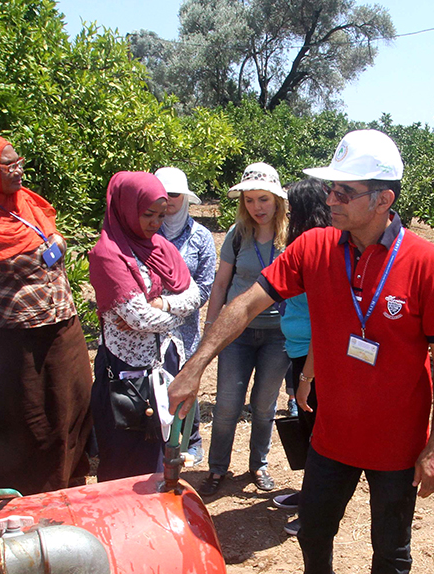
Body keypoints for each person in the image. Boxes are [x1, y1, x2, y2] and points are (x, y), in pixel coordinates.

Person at [169, 129, 434, 574]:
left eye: (344, 191)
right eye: (331, 190)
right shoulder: (314, 249)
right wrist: (198, 362)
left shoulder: (425, 262)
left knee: (390, 547)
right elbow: (247, 302)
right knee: (315, 525)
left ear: (383, 199)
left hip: (398, 439)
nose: (331, 200)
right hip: (332, 429)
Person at [0, 130, 91, 494]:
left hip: (62, 328)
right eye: (7, 165)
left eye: (19, 162)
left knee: (71, 408)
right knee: (30, 422)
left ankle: (69, 487)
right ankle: (26, 498)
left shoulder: (27, 203)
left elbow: (52, 245)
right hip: (15, 342)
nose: (18, 170)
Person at [87, 171, 199, 482]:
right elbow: (139, 318)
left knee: (161, 451)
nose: (155, 223)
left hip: (164, 363)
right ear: (125, 208)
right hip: (127, 371)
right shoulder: (108, 255)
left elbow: (194, 295)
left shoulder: (159, 247)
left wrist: (162, 305)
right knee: (128, 456)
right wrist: (176, 314)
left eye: (161, 215)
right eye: (147, 214)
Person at [199, 162, 291, 496]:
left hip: (278, 335)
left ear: (277, 200)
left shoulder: (291, 237)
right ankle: (217, 468)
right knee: (227, 404)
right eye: (249, 200)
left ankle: (258, 465)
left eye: (263, 199)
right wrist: (212, 330)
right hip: (237, 333)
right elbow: (221, 284)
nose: (256, 207)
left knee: (265, 405)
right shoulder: (238, 235)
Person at [273, 177, 333, 524]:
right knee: (310, 426)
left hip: (314, 355)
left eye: (292, 209)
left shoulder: (318, 253)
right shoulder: (302, 248)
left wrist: (307, 375)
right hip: (299, 351)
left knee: (318, 430)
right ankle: (311, 494)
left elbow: (324, 319)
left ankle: (315, 511)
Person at [156, 166, 217, 467]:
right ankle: (161, 443)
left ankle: (191, 440)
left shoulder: (200, 237)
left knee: (185, 381)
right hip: (150, 328)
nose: (168, 200)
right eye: (162, 194)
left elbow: (205, 286)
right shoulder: (144, 232)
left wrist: (167, 304)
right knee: (156, 386)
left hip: (185, 327)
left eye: (174, 194)